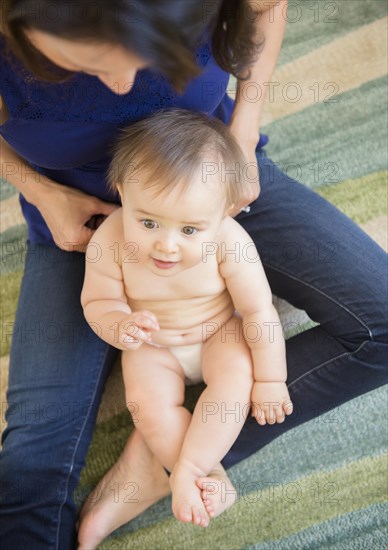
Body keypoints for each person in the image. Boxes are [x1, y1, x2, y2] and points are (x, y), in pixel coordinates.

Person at [0, 1, 386, 549]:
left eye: (147, 57)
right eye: (88, 62)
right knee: (32, 464)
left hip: (212, 187)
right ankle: (172, 441)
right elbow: (100, 301)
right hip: (81, 220)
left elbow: (265, 9)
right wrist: (40, 191)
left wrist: (244, 135)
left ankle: (168, 460)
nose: (120, 83)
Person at [81, 109, 294, 528]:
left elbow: (257, 311)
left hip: (217, 330)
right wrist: (119, 324)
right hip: (154, 343)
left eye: (190, 231)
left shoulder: (232, 242)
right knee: (146, 404)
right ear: (122, 192)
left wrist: (271, 379)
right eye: (148, 222)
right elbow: (98, 300)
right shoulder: (109, 238)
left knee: (236, 381)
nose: (166, 245)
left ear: (225, 212)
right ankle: (206, 475)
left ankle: (189, 468)